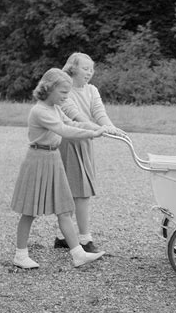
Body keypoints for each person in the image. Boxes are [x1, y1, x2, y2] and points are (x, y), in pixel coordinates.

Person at [11, 68, 107, 269]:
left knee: (64, 209)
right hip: (38, 160)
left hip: (53, 158)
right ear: (49, 88)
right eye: (63, 92)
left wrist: (96, 128)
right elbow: (64, 130)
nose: (66, 97)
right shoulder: (40, 111)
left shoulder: (55, 108)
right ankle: (20, 255)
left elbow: (70, 122)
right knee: (29, 211)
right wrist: (93, 134)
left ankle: (78, 254)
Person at [54, 52, 126, 253]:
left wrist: (111, 127)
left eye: (92, 69)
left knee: (77, 190)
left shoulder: (92, 90)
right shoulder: (64, 91)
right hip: (69, 142)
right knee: (79, 192)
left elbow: (99, 112)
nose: (89, 72)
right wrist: (97, 130)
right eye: (85, 68)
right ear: (72, 68)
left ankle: (63, 237)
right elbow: (74, 116)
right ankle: (84, 239)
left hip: (86, 140)